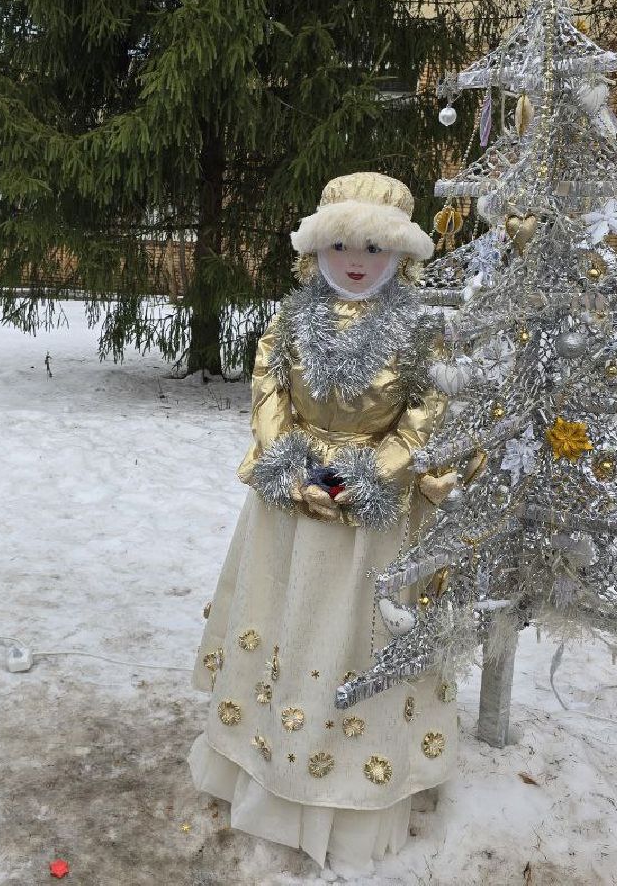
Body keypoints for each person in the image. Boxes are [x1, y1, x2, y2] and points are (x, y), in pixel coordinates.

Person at [190, 172, 458, 873]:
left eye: (373, 244)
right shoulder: (290, 319)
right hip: (290, 504)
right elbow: (268, 391)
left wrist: (369, 476)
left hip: (373, 517)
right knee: (284, 617)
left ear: (400, 252)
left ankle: (348, 784)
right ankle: (262, 762)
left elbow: (426, 415)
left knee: (349, 633)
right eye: (340, 242)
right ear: (317, 248)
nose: (356, 258)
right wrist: (291, 464)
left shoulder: (424, 332)